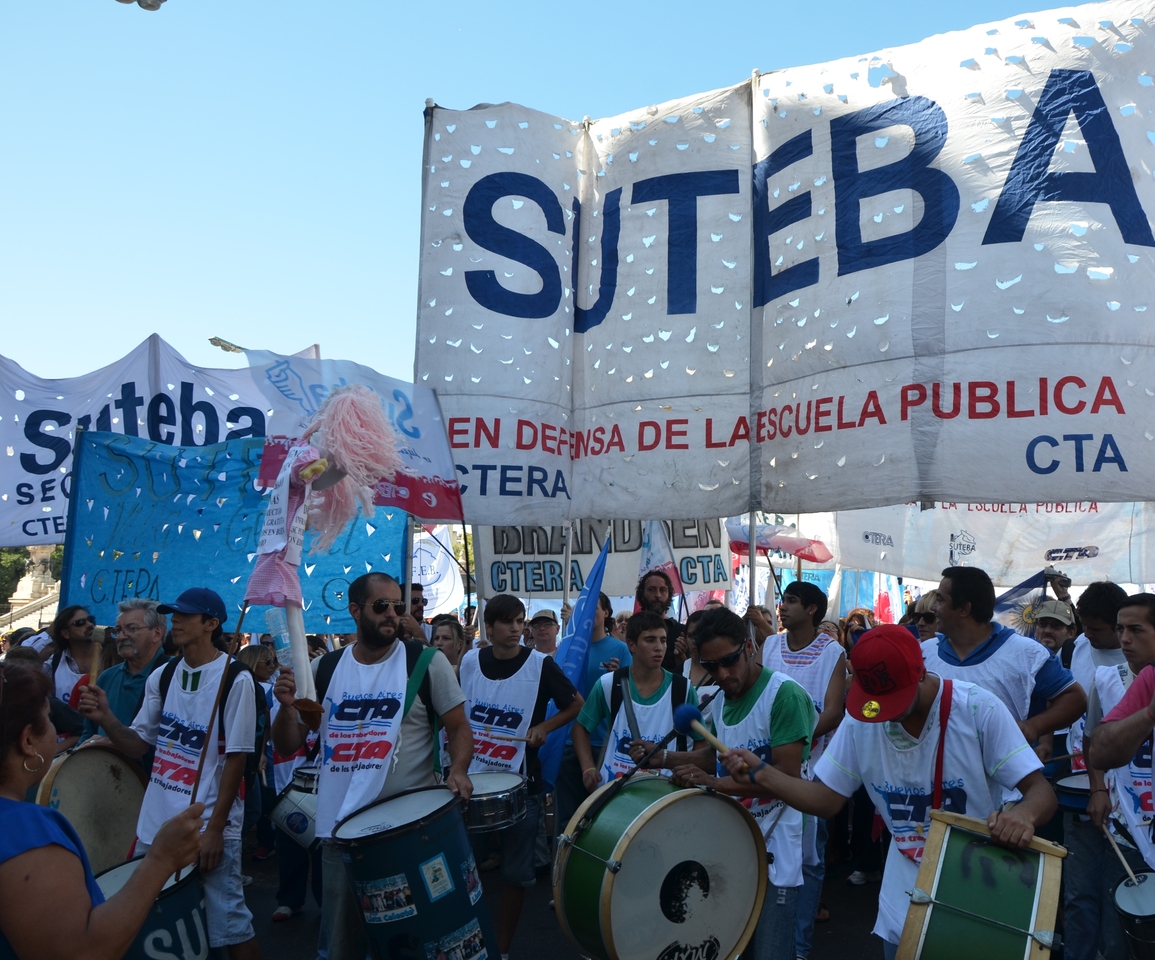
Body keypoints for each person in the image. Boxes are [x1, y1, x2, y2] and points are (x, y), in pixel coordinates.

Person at [721, 624, 1057, 959]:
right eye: (876, 703)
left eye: (894, 700)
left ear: (921, 672)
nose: (884, 714)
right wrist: (762, 772)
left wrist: (1023, 815)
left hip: (975, 890)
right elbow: (826, 799)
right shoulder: (862, 720)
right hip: (905, 899)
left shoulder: (978, 710)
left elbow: (1041, 791)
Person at [271, 572, 474, 960]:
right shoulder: (324, 669)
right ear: (355, 610)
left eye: (398, 606)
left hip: (410, 832)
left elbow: (459, 726)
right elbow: (288, 742)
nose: (392, 614)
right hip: (341, 836)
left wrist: (459, 769)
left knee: (417, 942)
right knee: (342, 947)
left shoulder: (425, 662)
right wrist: (285, 709)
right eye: (381, 606)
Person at [78, 588, 262, 960]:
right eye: (174, 614)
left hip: (207, 824)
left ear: (211, 624)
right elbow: (138, 744)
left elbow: (237, 760)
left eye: (185, 616)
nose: (175, 621)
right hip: (157, 824)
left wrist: (216, 829)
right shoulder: (163, 676)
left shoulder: (236, 679)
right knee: (155, 915)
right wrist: (106, 719)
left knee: (229, 924)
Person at [0, 660, 207, 960]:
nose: (54, 729)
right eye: (48, 717)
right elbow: (81, 953)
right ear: (29, 740)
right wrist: (161, 860)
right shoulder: (25, 832)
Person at [670, 607, 814, 960]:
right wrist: (664, 760)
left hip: (778, 846)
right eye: (711, 666)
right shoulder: (720, 700)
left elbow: (786, 777)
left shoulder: (784, 696)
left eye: (729, 661)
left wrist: (714, 784)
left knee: (771, 952)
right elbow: (714, 757)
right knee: (733, 950)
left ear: (749, 647)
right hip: (735, 841)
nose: (722, 674)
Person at [460, 595, 582, 958]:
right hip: (471, 782)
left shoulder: (541, 665)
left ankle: (502, 950)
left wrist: (544, 727)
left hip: (522, 785)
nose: (516, 629)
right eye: (508, 622)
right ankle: (468, 943)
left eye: (520, 621)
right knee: (464, 872)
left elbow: (575, 703)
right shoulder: (470, 661)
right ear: (489, 627)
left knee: (515, 875)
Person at [760, 581, 846, 960]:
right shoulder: (769, 645)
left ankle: (798, 947)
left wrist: (792, 741)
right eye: (784, 600)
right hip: (767, 766)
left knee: (808, 859)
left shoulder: (833, 652)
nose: (783, 607)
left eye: (792, 601)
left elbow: (834, 712)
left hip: (814, 772)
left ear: (812, 610)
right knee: (764, 850)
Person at [925, 566, 1085, 754]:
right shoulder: (922, 653)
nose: (933, 607)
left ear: (964, 609)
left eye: (940, 600)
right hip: (933, 772)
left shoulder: (1027, 654)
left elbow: (1076, 698)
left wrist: (1033, 726)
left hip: (1001, 773)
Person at [1073, 590, 1151, 960]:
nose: (1124, 639)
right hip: (1129, 828)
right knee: (1122, 933)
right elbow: (1094, 745)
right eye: (1120, 629)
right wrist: (1098, 789)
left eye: (1136, 630)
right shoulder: (1108, 680)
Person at [573, 611, 707, 789]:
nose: (659, 647)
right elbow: (580, 728)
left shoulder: (682, 689)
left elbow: (701, 739)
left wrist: (688, 772)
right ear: (632, 645)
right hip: (615, 792)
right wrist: (588, 768)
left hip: (665, 795)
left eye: (663, 640)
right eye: (650, 640)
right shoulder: (609, 684)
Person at [553, 593, 632, 830]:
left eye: (594, 607)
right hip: (569, 744)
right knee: (567, 819)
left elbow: (633, 696)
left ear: (606, 612)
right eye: (584, 607)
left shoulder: (621, 649)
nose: (588, 611)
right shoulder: (567, 648)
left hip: (605, 745)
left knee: (603, 819)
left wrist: (619, 677)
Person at [79, 599, 170, 749]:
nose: (121, 637)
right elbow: (89, 732)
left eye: (131, 629)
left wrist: (117, 743)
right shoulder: (107, 677)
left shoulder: (174, 675)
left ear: (157, 633)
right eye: (118, 630)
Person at [636, 568, 684, 672]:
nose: (658, 595)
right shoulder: (633, 628)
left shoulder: (681, 632)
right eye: (651, 590)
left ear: (669, 594)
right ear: (642, 593)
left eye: (663, 590)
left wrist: (681, 657)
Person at [47, 605, 97, 705]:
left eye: (90, 620)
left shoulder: (110, 658)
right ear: (65, 633)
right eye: (80, 622)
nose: (90, 625)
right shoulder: (53, 664)